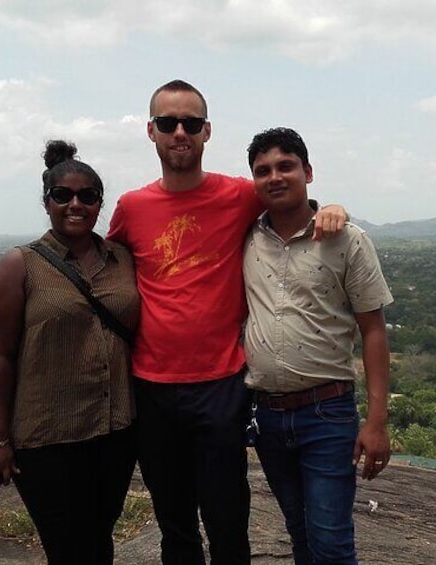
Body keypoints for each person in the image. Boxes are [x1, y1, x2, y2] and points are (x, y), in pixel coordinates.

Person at [107, 80, 347, 564]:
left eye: (191, 123)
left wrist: (332, 207)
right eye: (169, 123)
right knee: (174, 523)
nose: (180, 132)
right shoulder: (132, 207)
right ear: (150, 131)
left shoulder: (238, 195)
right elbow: (106, 268)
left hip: (220, 384)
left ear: (206, 131)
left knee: (227, 519)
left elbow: (290, 200)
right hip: (150, 386)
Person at [0, 140, 140, 564]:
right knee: (67, 548)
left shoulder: (121, 258)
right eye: (63, 195)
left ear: (99, 203)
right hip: (48, 436)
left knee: (99, 539)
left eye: (87, 196)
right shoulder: (20, 265)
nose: (75, 204)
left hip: (115, 429)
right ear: (46, 201)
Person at [243, 127, 392, 565]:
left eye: (286, 166)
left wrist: (377, 422)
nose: (275, 177)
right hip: (267, 414)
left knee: (330, 541)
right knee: (300, 532)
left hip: (326, 413)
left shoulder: (347, 240)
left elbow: (374, 330)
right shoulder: (246, 238)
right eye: (263, 170)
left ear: (307, 171)